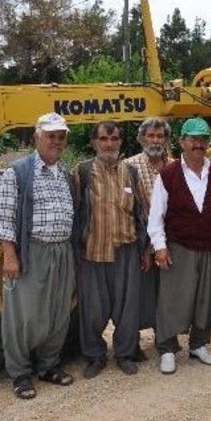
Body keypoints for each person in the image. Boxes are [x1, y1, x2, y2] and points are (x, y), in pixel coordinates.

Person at [0, 112, 76, 399]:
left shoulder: (64, 172)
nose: (56, 141)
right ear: (37, 137)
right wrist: (10, 256)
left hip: (62, 250)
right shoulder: (17, 172)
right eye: (50, 135)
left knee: (57, 313)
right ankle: (20, 374)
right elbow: (3, 217)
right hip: (32, 251)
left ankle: (49, 366)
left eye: (61, 136)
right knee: (23, 317)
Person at [147, 118, 211, 374]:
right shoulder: (168, 175)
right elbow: (156, 215)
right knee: (173, 299)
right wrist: (159, 247)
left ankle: (199, 343)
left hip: (210, 246)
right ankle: (167, 348)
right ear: (182, 142)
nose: (198, 144)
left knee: (207, 298)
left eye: (203, 140)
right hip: (179, 246)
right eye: (193, 139)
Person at [72, 122, 146, 378]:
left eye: (114, 139)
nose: (109, 144)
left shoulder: (131, 173)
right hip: (92, 251)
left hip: (126, 250)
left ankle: (125, 354)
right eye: (103, 139)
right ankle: (94, 356)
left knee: (127, 309)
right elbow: (75, 215)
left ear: (120, 142)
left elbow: (140, 213)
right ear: (94, 142)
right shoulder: (82, 172)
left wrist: (144, 249)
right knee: (93, 310)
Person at [123, 118, 175, 361]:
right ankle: (130, 344)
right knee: (137, 293)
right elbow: (127, 208)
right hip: (140, 241)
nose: (155, 140)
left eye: (160, 136)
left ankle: (166, 337)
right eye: (151, 136)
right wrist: (144, 245)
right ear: (141, 139)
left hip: (169, 241)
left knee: (167, 292)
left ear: (166, 140)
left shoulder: (176, 166)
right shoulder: (128, 166)